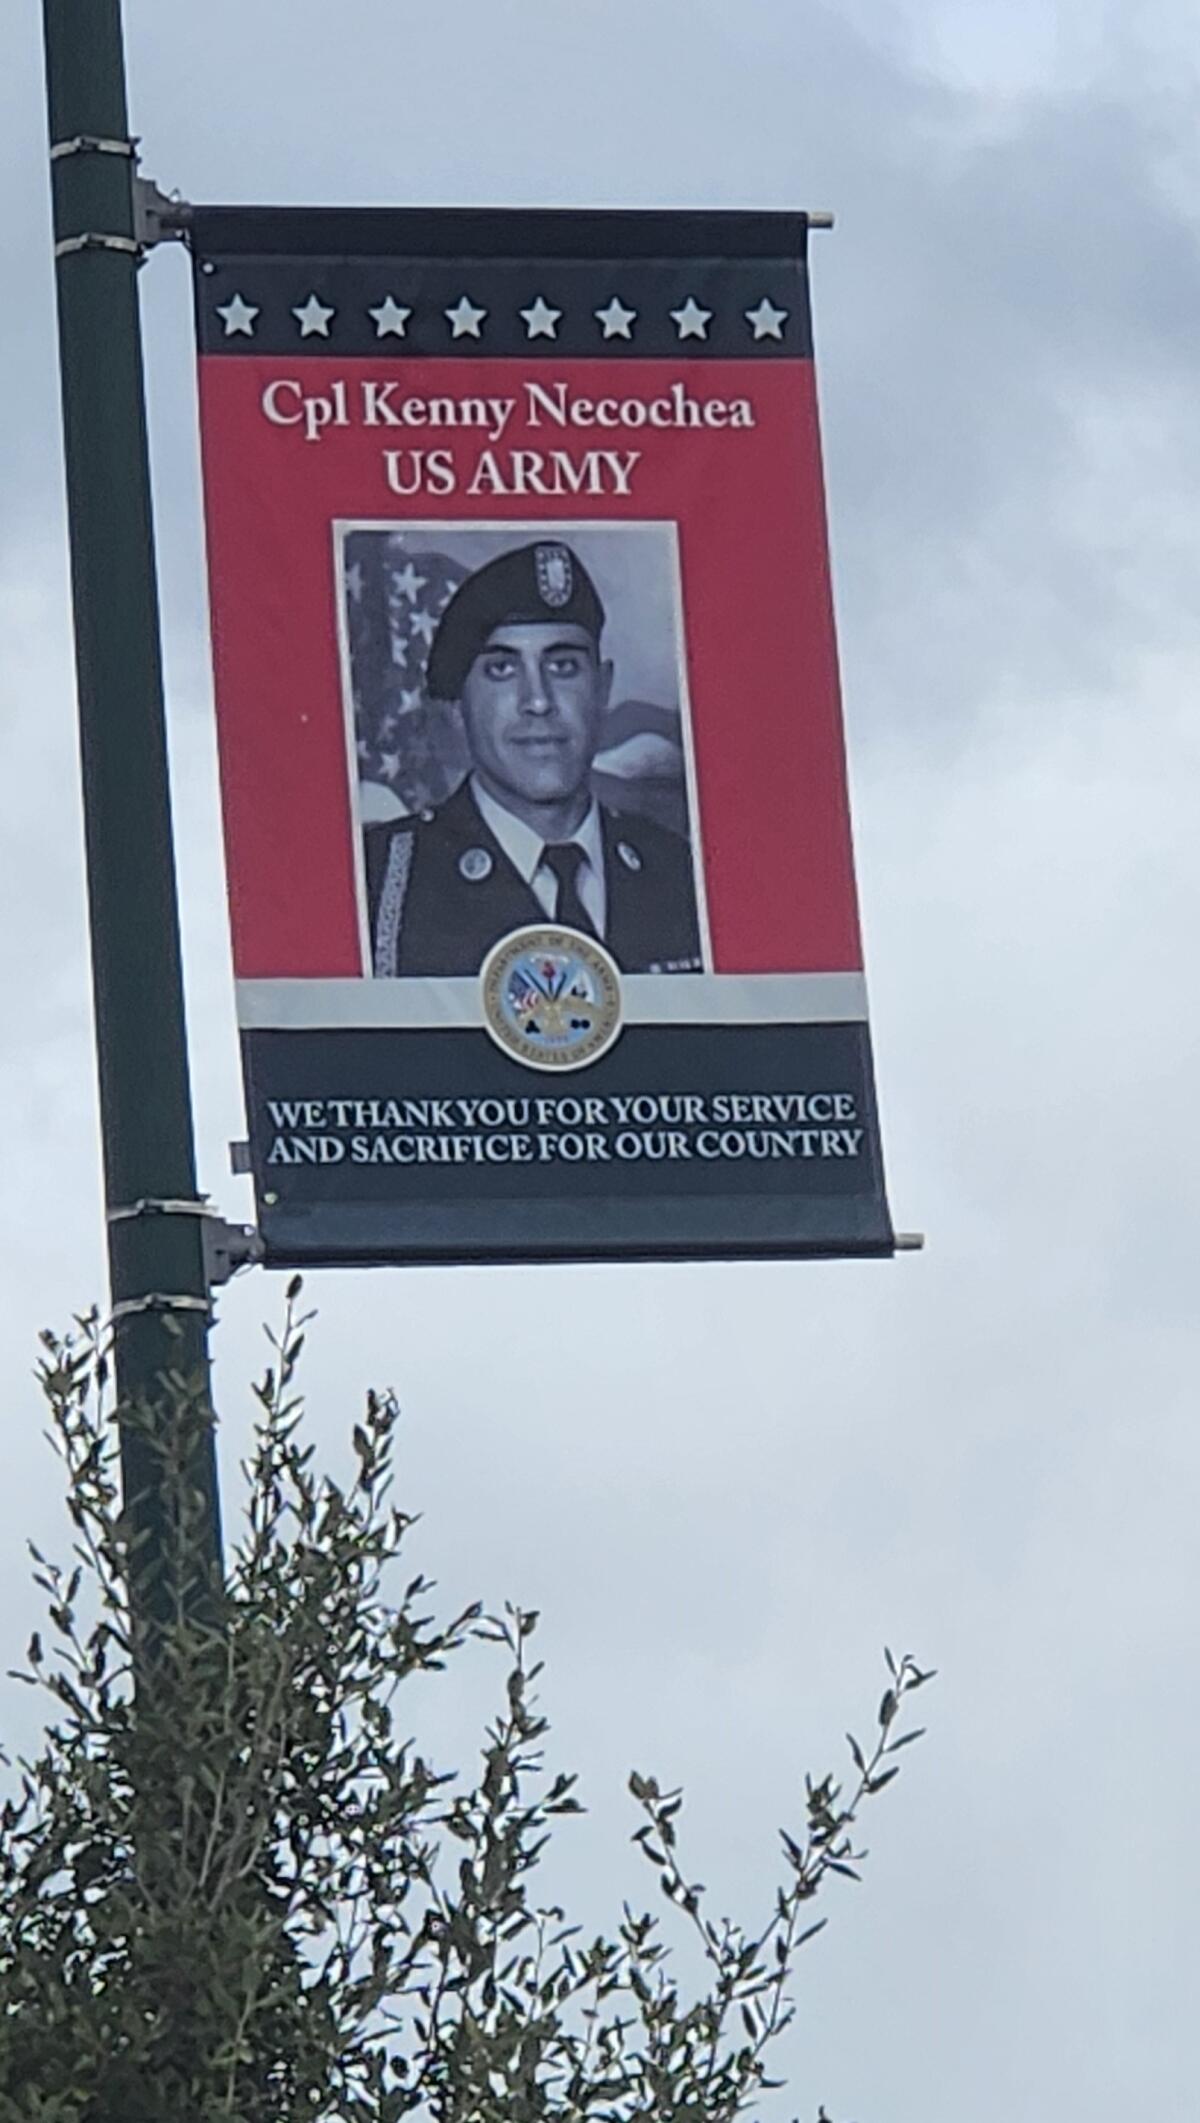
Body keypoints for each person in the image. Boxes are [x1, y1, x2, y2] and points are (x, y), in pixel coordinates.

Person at [365, 539, 703, 977]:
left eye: (563, 666)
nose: (539, 701)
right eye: (502, 670)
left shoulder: (682, 874)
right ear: (457, 708)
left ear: (602, 688)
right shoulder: (380, 882)